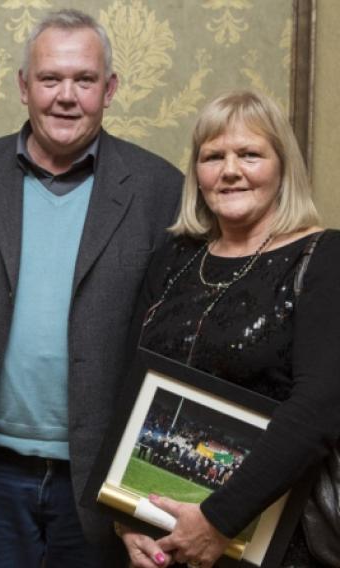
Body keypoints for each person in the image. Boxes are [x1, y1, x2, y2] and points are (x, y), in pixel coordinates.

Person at [0, 8, 183, 567]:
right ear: (23, 86)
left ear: (109, 89)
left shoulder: (161, 190)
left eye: (84, 80)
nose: (67, 96)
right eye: (50, 79)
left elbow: (174, 349)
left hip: (99, 483)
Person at [118, 90, 340, 568]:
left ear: (283, 167)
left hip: (278, 544)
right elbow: (133, 386)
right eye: (213, 156)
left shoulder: (325, 258)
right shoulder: (175, 258)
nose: (230, 170)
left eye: (250, 154)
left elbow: (320, 406)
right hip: (165, 541)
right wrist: (125, 516)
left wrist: (218, 520)